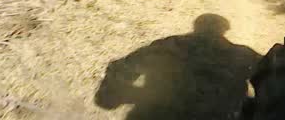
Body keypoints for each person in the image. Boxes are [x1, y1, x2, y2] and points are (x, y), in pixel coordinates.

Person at [95, 14, 260, 120]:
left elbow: (122, 68)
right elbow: (274, 81)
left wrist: (117, 95)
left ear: (196, 27)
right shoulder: (241, 55)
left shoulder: (169, 46)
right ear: (224, 30)